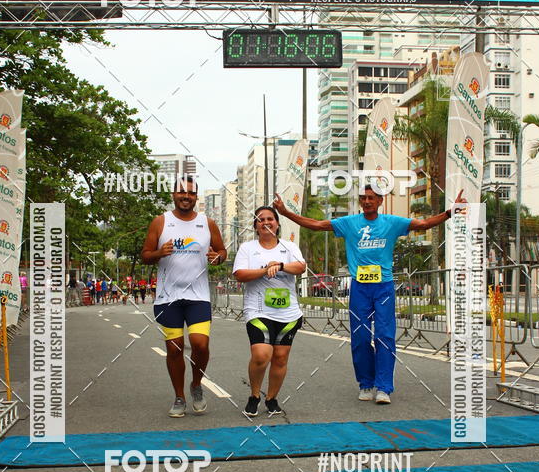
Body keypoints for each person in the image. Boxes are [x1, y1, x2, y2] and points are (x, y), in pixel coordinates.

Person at [273, 185, 466, 404]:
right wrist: (286, 213)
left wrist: (449, 213)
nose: (366, 201)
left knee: (384, 337)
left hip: (383, 287)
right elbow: (317, 225)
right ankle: (366, 384)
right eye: (363, 198)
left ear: (380, 201)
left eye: (371, 198)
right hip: (359, 288)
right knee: (361, 337)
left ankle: (384, 387)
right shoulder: (349, 223)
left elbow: (423, 223)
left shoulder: (392, 223)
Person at [141, 174, 227, 417]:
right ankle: (179, 397)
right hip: (168, 297)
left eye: (190, 193)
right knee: (175, 348)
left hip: (198, 295)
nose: (186, 197)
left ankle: (196, 385)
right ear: (174, 195)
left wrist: (218, 257)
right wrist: (159, 252)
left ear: (196, 197)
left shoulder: (207, 223)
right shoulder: (161, 222)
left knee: (200, 344)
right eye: (182, 192)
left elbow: (222, 251)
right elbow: (145, 255)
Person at [233, 205, 306, 417]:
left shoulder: (289, 246)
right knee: (261, 354)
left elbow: (301, 267)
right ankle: (254, 396)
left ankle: (272, 398)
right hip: (258, 311)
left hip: (288, 313)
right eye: (260, 219)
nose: (266, 222)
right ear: (256, 226)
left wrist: (281, 265)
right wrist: (266, 269)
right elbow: (239, 274)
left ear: (277, 223)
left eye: (270, 218)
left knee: (281, 358)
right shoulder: (247, 248)